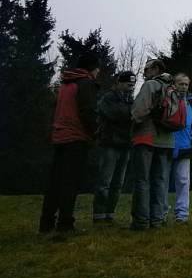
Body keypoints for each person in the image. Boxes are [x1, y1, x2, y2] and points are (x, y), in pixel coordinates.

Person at [38, 53, 101, 234]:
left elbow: (54, 110)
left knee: (55, 182)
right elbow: (87, 111)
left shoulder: (66, 84)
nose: (99, 72)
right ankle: (66, 224)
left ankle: (46, 223)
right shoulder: (86, 84)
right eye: (97, 68)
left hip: (59, 136)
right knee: (70, 183)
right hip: (76, 137)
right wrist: (95, 132)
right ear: (92, 68)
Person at [129, 58, 176, 230]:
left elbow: (139, 111)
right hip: (167, 141)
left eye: (147, 69)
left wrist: (133, 121)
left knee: (142, 180)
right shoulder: (174, 88)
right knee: (159, 181)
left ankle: (141, 221)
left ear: (155, 69)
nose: (144, 72)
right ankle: (157, 220)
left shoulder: (150, 86)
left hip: (146, 138)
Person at [92, 70, 135, 223]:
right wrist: (131, 113)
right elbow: (116, 114)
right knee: (105, 181)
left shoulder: (130, 99)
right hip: (109, 143)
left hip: (125, 144)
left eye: (133, 84)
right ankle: (99, 214)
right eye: (128, 84)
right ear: (119, 82)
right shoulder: (108, 98)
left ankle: (110, 213)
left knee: (118, 183)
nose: (131, 87)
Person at [170, 73, 192, 223]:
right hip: (167, 145)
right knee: (162, 181)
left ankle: (182, 214)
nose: (183, 87)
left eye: (186, 84)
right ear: (174, 84)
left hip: (185, 147)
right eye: (180, 84)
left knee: (183, 180)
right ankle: (160, 212)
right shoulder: (168, 99)